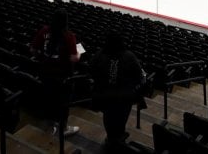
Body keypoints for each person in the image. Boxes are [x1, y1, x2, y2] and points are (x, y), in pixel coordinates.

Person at [90, 31, 145, 152]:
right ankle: (117, 142)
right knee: (121, 120)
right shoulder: (129, 56)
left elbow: (92, 71)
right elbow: (139, 76)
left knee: (108, 117)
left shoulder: (99, 55)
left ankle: (111, 138)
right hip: (123, 98)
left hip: (104, 96)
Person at [30, 8, 80, 136]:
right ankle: (63, 128)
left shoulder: (44, 31)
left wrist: (42, 58)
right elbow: (74, 58)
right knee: (63, 102)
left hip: (45, 73)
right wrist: (79, 54)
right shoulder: (69, 36)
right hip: (63, 77)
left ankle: (50, 126)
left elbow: (33, 49)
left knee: (49, 99)